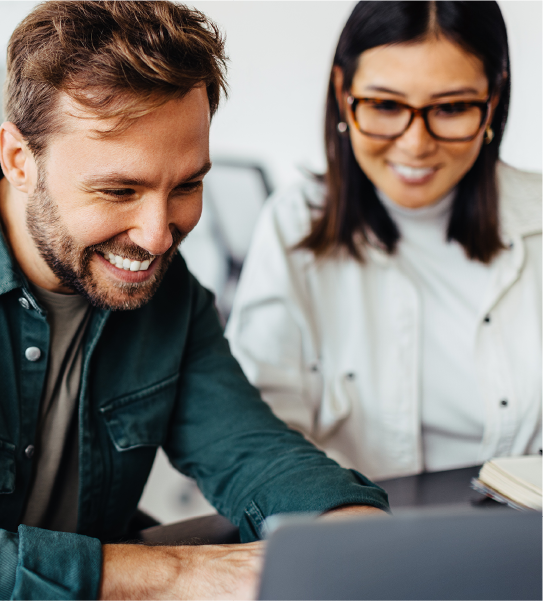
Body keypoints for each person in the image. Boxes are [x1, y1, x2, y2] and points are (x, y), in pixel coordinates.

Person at [0, 1, 390, 600]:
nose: (156, 238)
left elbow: (251, 451)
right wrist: (181, 573)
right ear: (20, 160)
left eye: (186, 185)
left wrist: (356, 539)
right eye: (118, 190)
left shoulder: (166, 292)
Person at [226, 0, 543, 482]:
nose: (415, 144)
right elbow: (256, 434)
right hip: (353, 537)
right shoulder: (293, 225)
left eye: (452, 107)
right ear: (343, 92)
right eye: (386, 105)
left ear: (494, 100)